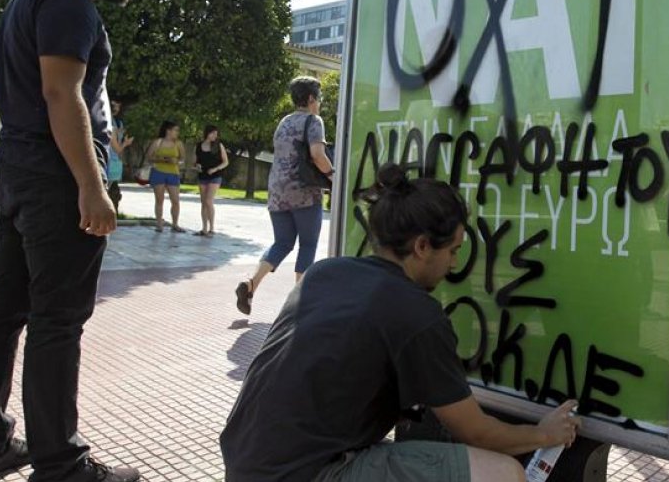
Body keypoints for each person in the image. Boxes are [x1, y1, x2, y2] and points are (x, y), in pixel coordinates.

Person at [0, 0, 158, 482]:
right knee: (57, 321)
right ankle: (61, 465)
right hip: (54, 178)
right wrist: (92, 188)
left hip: (18, 171)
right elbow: (60, 94)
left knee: (4, 309)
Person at [221, 163, 580, 482]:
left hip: (244, 462)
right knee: (503, 474)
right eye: (453, 251)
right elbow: (477, 433)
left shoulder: (326, 272)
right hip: (308, 472)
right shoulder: (417, 313)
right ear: (423, 246)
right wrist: (543, 434)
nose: (455, 265)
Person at [234, 76, 333, 315]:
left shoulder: (284, 122)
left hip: (277, 192)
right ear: (310, 98)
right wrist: (333, 175)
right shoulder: (313, 121)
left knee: (282, 243)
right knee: (307, 244)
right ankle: (300, 304)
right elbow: (317, 154)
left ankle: (250, 285)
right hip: (304, 193)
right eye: (318, 98)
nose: (319, 103)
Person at [145, 120, 185, 233]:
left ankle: (175, 224)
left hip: (173, 173)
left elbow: (182, 159)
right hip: (159, 172)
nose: (177, 132)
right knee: (159, 199)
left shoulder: (178, 143)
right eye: (175, 130)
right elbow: (149, 157)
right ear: (168, 130)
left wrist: (176, 161)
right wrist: (161, 159)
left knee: (175, 200)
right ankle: (159, 224)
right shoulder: (158, 142)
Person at [194, 125, 229, 236]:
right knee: (204, 203)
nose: (215, 135)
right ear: (207, 133)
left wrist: (215, 169)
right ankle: (204, 228)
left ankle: (212, 228)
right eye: (213, 133)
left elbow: (225, 162)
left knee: (209, 201)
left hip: (215, 176)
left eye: (216, 133)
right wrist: (196, 166)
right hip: (202, 176)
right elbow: (194, 163)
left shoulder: (219, 146)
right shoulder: (199, 146)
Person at [107, 99, 134, 214]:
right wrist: (126, 144)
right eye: (114, 105)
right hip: (109, 161)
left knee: (107, 189)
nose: (116, 108)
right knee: (105, 190)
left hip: (114, 160)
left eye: (118, 105)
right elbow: (116, 148)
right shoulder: (110, 124)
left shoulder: (118, 123)